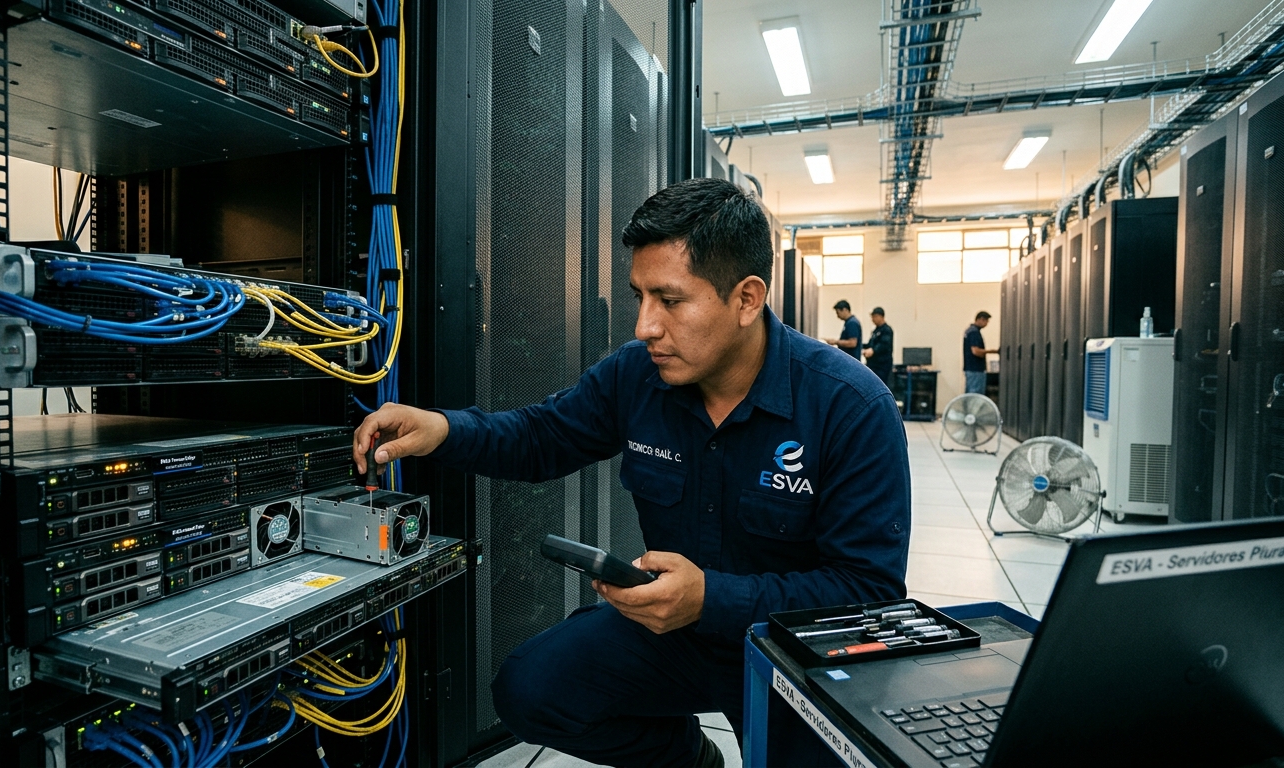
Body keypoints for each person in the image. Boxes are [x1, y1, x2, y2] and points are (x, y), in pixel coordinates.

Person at [351, 178, 910, 767]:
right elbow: (541, 437)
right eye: (640, 296)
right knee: (531, 688)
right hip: (675, 633)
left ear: (747, 299)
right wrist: (443, 429)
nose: (645, 326)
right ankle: (691, 761)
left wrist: (711, 598)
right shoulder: (636, 375)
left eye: (670, 300)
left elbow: (867, 591)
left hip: (791, 648)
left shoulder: (849, 407)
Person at [964, 311, 999, 394]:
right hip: (976, 369)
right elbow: (975, 351)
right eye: (986, 321)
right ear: (981, 319)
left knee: (971, 395)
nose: (986, 324)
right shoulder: (974, 332)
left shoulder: (969, 331)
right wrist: (993, 351)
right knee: (975, 395)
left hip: (971, 369)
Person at [862, 306, 894, 388]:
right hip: (873, 365)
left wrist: (873, 351)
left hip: (882, 366)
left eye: (874, 317)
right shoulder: (875, 331)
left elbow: (884, 345)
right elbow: (871, 344)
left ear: (881, 316)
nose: (872, 319)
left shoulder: (887, 330)